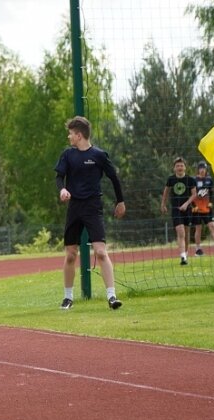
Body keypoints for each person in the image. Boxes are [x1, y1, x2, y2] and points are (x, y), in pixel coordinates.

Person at [54, 116, 125, 310]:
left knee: (101, 252)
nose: (69, 137)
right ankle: (68, 298)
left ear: (78, 135)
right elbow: (59, 177)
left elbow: (114, 178)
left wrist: (120, 201)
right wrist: (62, 189)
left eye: (70, 133)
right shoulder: (68, 155)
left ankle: (112, 297)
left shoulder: (100, 155)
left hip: (93, 207)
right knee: (70, 255)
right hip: (74, 207)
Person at [160, 157, 196, 266]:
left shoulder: (190, 180)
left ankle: (185, 252)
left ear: (185, 167)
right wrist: (163, 204)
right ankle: (182, 257)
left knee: (186, 232)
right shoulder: (171, 180)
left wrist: (186, 204)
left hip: (187, 209)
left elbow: (194, 194)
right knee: (180, 232)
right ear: (174, 168)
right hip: (176, 210)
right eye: (177, 166)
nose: (179, 167)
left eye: (181, 165)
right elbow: (166, 192)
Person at [191, 161, 214, 256]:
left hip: (207, 209)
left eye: (204, 168)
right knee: (198, 228)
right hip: (197, 209)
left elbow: (211, 193)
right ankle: (198, 249)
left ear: (206, 169)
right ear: (198, 170)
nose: (202, 170)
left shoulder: (209, 180)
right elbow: (191, 195)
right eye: (201, 168)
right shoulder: (194, 180)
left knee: (212, 226)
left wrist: (211, 202)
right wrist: (193, 206)